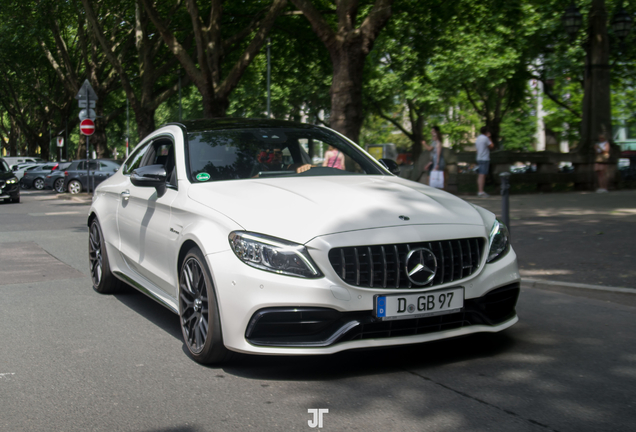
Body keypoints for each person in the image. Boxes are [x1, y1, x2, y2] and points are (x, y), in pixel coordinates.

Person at [475, 126, 494, 197]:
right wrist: (489, 137)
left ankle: (480, 191)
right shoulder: (486, 138)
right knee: (482, 175)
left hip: (479, 157)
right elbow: (491, 146)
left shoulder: (478, 138)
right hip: (484, 158)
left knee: (481, 174)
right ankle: (481, 191)